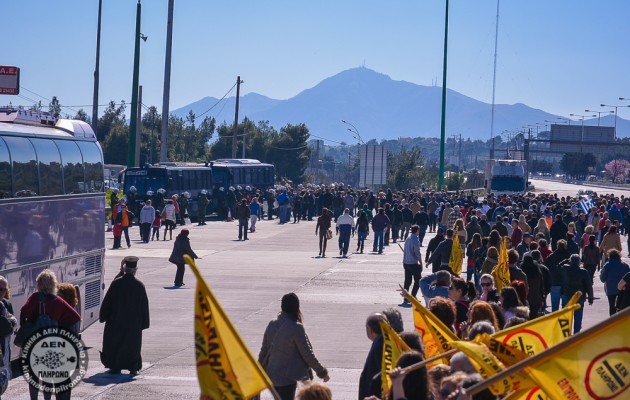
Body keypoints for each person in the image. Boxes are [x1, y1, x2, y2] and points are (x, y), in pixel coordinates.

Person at [21, 270, 80, 400]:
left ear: (39, 283)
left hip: (35, 343)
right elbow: (75, 317)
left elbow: (24, 313)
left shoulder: (35, 298)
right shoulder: (59, 301)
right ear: (54, 284)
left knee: (34, 375)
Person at [258, 293, 329, 400]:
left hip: (272, 376)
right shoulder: (296, 328)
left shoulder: (272, 324)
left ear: (282, 307)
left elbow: (264, 351)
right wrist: (322, 372)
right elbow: (307, 354)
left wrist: (257, 371)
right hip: (287, 378)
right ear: (296, 307)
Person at [100, 256, 150, 375]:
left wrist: (104, 316)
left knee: (115, 343)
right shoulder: (139, 286)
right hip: (133, 324)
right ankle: (133, 366)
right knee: (132, 345)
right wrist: (143, 323)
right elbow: (144, 307)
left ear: (125, 268)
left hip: (116, 321)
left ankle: (115, 366)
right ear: (135, 270)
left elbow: (107, 302)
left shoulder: (116, 283)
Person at [560, 254, 594, 333]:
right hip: (579, 296)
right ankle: (576, 333)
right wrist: (590, 298)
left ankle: (565, 332)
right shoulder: (583, 271)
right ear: (579, 262)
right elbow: (589, 286)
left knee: (565, 315)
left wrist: (566, 260)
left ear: (570, 261)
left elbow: (558, 267)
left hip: (566, 294)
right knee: (578, 316)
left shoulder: (565, 268)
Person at [359, 313, 386, 400]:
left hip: (374, 394)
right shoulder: (382, 341)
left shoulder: (380, 344)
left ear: (369, 329)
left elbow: (381, 374)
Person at [599, 249, 630, 316]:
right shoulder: (625, 265)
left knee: (612, 307)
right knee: (622, 308)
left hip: (611, 290)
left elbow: (602, 278)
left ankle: (613, 322)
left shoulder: (607, 265)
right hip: (623, 291)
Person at [0, 276, 16, 397]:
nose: (1, 292)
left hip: (3, 353)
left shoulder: (5, 305)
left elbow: (13, 325)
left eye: (3, 289)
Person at [402, 225, 423, 304]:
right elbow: (417, 253)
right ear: (417, 230)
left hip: (406, 262)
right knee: (418, 281)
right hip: (413, 263)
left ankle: (406, 298)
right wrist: (421, 263)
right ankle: (413, 296)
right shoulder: (415, 240)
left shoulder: (408, 238)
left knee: (407, 281)